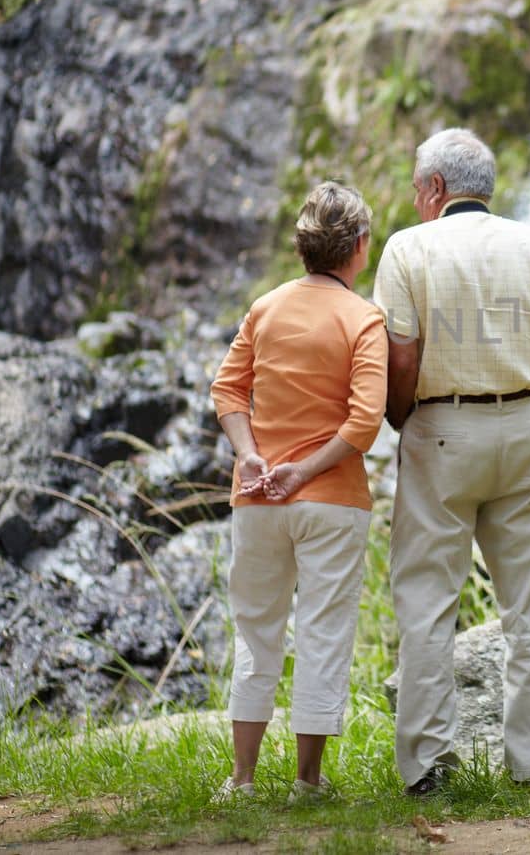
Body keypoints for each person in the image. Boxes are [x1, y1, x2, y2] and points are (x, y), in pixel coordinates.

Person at [374, 127, 530, 796]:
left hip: (442, 428)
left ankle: (428, 767)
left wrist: (403, 415)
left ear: (436, 188)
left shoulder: (408, 248)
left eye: (418, 189)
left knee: (427, 602)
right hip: (529, 429)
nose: (417, 201)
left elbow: (402, 354)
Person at [209, 181, 388, 803]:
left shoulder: (265, 308)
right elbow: (363, 425)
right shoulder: (364, 318)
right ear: (359, 248)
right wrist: (308, 471)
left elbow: (227, 392)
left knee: (256, 634)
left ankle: (242, 780)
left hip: (256, 497)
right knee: (323, 633)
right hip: (332, 499)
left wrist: (250, 452)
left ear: (304, 245)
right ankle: (307, 783)